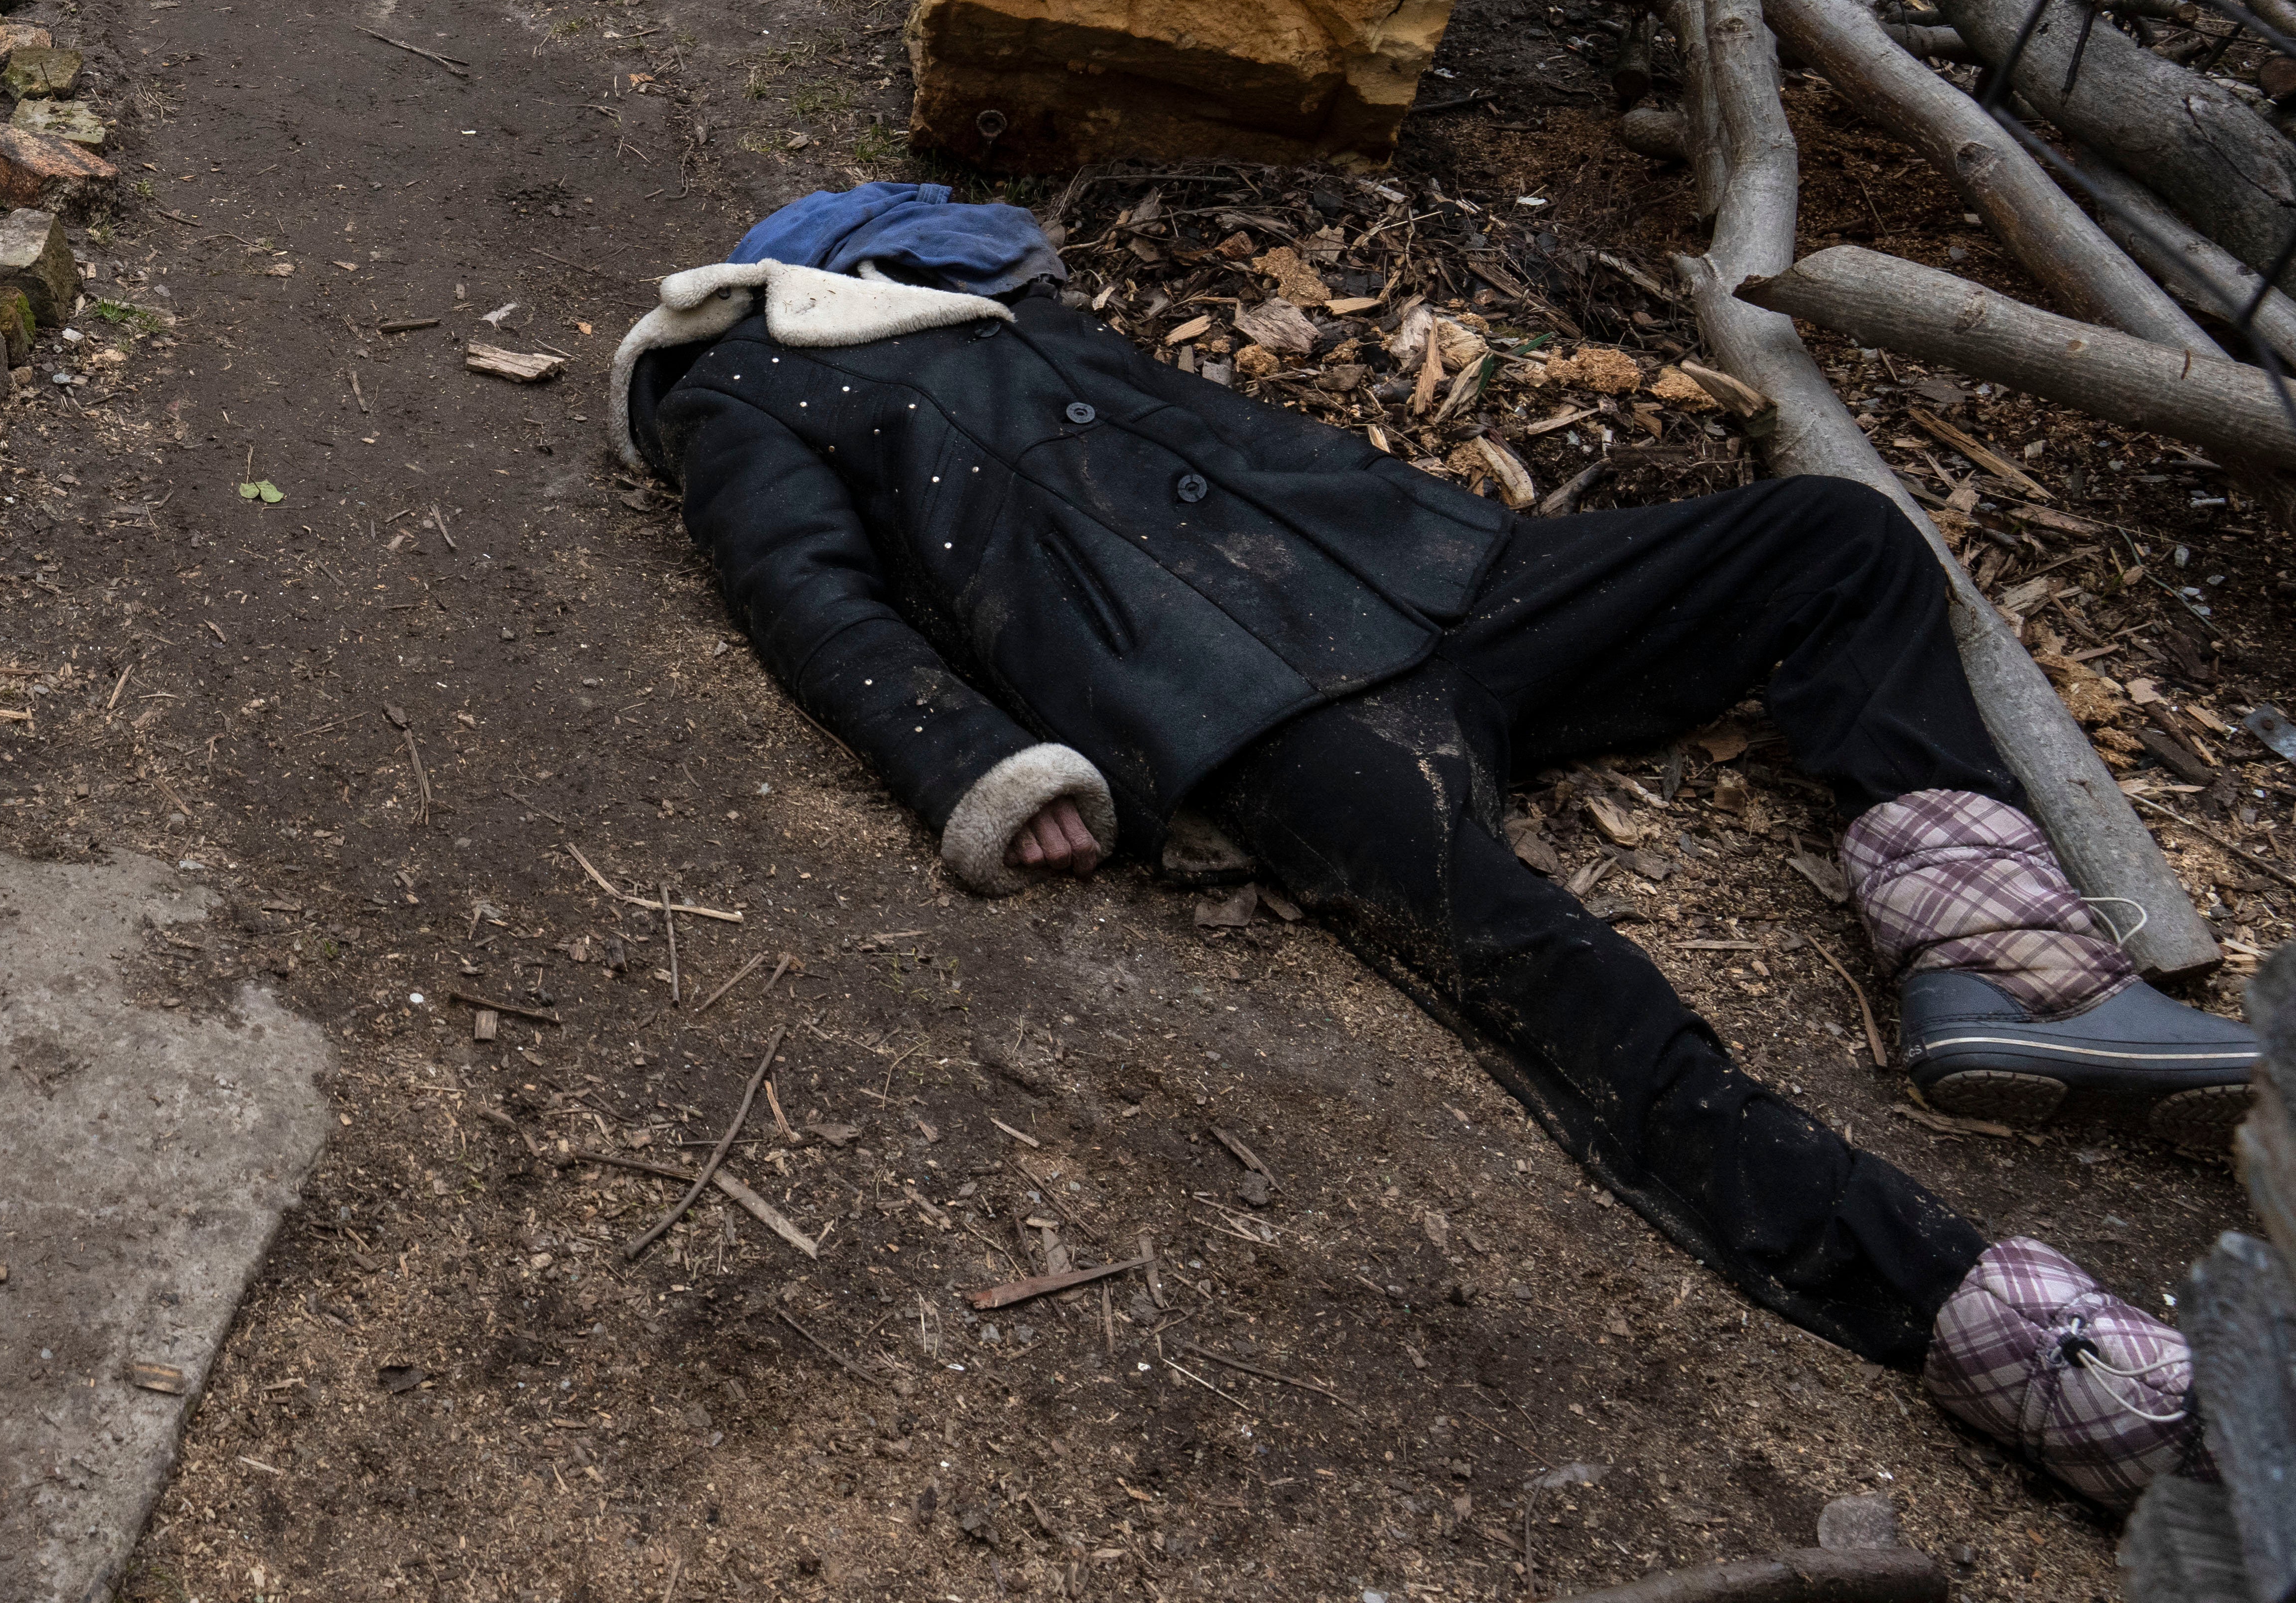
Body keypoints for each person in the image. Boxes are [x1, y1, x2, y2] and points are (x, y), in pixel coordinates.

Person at [612, 183, 2254, 1512]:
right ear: (797, 263)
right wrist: (984, 765)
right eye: (897, 211)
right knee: (1584, 998)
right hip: (1263, 710)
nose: (951, 221)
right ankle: (2044, 1360)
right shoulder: (743, 385)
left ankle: (1990, 956)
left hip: (1457, 580)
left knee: (1831, 539)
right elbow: (812, 610)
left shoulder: (997, 306)